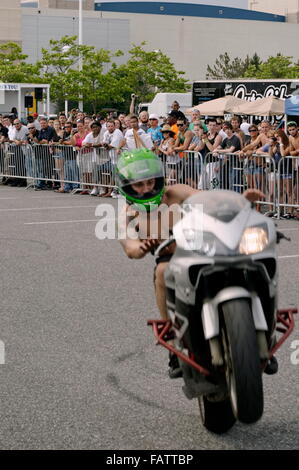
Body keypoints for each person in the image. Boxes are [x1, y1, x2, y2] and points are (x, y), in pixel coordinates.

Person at [116, 148, 266, 378]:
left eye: (149, 182)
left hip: (205, 246)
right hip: (171, 256)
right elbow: (129, 245)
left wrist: (239, 200)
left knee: (253, 260)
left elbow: (209, 198)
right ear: (127, 185)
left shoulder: (176, 191)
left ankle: (265, 329)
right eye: (139, 185)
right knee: (162, 271)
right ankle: (173, 340)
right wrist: (142, 247)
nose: (146, 188)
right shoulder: (127, 212)